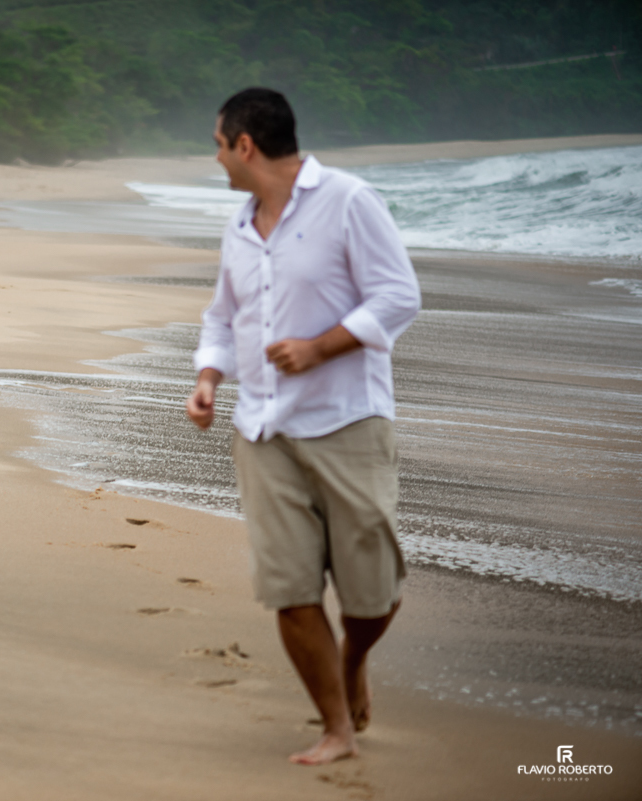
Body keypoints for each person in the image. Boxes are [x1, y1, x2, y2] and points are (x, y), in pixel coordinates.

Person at [185, 88, 420, 766]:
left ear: (245, 145)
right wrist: (208, 377)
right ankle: (336, 724)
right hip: (262, 427)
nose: (218, 157)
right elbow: (222, 318)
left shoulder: (349, 201)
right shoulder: (239, 224)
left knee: (371, 591)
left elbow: (399, 295)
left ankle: (354, 659)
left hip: (348, 420)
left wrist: (321, 346)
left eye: (218, 144)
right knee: (288, 587)